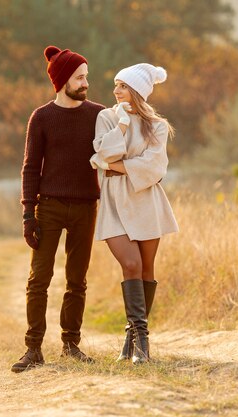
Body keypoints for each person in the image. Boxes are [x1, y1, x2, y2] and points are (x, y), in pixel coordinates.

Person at [11, 46, 104, 373]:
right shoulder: (42, 117)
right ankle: (33, 348)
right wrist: (28, 214)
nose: (85, 83)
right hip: (48, 207)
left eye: (86, 77)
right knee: (39, 279)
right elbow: (30, 168)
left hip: (85, 207)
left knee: (77, 279)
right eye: (80, 77)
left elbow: (120, 149)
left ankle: (70, 344)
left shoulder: (99, 115)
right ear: (63, 79)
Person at [89, 63, 178, 364]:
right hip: (114, 202)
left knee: (146, 269)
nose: (116, 91)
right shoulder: (106, 117)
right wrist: (123, 127)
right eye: (115, 85)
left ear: (137, 91)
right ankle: (139, 340)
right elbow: (103, 152)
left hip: (146, 201)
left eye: (122, 86)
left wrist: (112, 166)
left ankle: (137, 341)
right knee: (130, 263)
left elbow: (155, 168)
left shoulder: (158, 126)